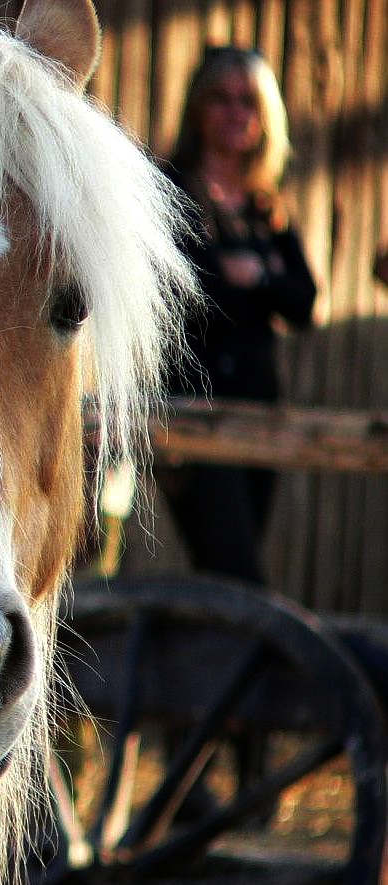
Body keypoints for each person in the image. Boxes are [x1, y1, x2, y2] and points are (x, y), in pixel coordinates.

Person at [160, 46, 317, 586]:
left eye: (248, 103)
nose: (235, 114)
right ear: (198, 109)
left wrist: (259, 274)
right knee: (237, 576)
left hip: (260, 413)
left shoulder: (265, 207)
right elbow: (191, 293)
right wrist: (252, 276)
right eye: (221, 100)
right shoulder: (170, 191)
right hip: (195, 413)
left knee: (231, 574)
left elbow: (304, 302)